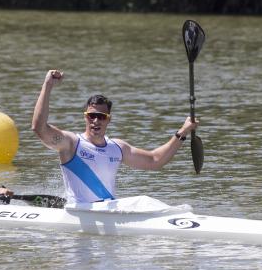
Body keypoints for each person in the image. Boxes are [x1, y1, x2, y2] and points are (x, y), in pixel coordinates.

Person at [31, 69, 198, 203]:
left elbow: (155, 160)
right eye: (92, 115)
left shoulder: (117, 148)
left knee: (145, 201)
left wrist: (182, 132)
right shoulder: (71, 144)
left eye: (102, 116)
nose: (96, 120)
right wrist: (47, 85)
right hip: (81, 214)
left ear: (108, 120)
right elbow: (39, 128)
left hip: (108, 212)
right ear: (85, 117)